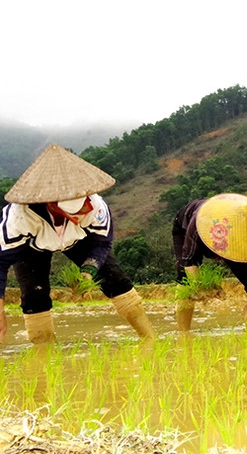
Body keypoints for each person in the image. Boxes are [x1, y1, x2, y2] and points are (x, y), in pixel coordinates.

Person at [0, 144, 155, 344]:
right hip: (31, 247)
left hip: (79, 240)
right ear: (51, 204)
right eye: (73, 213)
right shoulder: (20, 218)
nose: (80, 214)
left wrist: (89, 270)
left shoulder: (95, 205)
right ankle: (42, 354)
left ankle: (149, 338)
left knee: (115, 278)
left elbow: (102, 241)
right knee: (34, 296)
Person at [172, 193, 247, 331]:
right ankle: (183, 333)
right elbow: (190, 261)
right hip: (184, 227)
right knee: (184, 279)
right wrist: (201, 289)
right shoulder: (199, 222)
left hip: (234, 240)